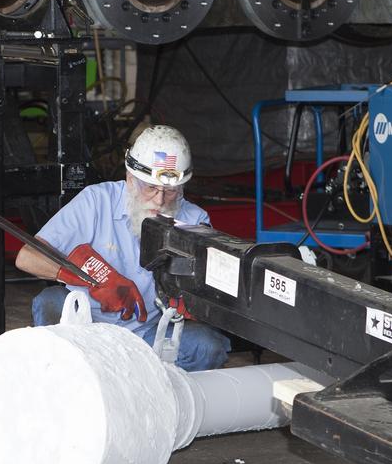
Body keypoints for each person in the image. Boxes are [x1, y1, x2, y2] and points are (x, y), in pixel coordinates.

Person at [14, 125, 231, 372]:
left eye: (169, 191)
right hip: (86, 328)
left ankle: (161, 400)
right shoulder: (96, 201)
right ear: (130, 179)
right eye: (150, 187)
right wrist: (98, 280)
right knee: (50, 301)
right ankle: (64, 377)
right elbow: (27, 257)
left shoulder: (194, 220)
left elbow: (215, 289)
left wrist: (196, 300)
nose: (159, 201)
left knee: (208, 346)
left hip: (151, 334)